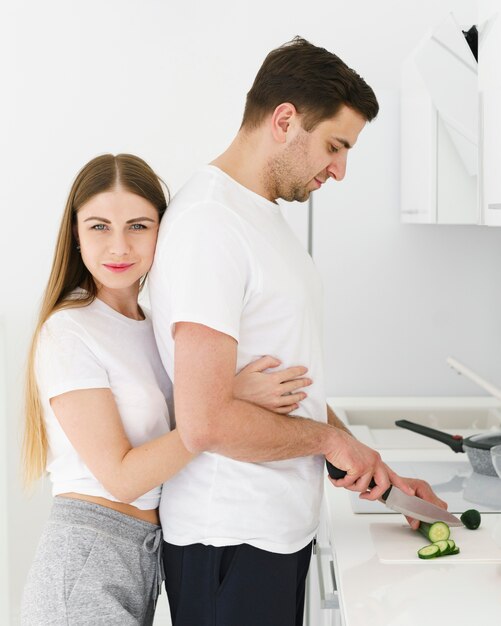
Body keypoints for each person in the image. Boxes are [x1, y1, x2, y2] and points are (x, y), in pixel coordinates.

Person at [148, 37, 447, 626]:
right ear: (285, 120)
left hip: (271, 537)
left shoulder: (260, 218)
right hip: (227, 540)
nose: (339, 169)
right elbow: (207, 420)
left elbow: (292, 388)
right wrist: (331, 443)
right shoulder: (212, 224)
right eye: (335, 146)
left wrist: (377, 473)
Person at [21, 153, 312, 626]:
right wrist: (224, 402)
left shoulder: (153, 327)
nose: (119, 246)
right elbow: (122, 477)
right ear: (75, 234)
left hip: (141, 555)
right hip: (87, 558)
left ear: (163, 230)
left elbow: (177, 428)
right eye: (99, 226)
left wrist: (223, 398)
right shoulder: (69, 331)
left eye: (138, 226)